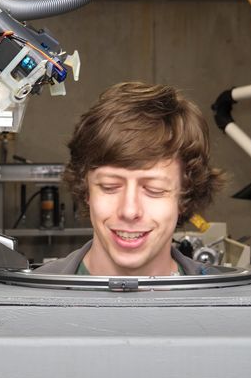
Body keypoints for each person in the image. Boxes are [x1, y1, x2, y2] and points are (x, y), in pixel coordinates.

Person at [36, 81, 223, 276]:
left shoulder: (224, 295)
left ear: (185, 196)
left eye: (154, 190)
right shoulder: (31, 292)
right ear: (86, 190)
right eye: (109, 186)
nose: (129, 210)